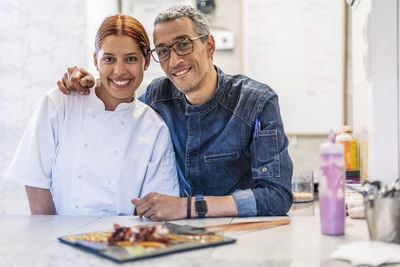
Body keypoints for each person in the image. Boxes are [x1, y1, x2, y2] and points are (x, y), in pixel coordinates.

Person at [58, 5, 293, 221]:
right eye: (163, 51)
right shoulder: (158, 95)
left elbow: (276, 196)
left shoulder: (255, 101)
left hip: (241, 236)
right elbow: (118, 112)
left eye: (183, 44)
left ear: (209, 46)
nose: (175, 60)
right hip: (176, 237)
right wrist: (87, 82)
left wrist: (188, 207)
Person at [5, 14, 179, 216]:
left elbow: (155, 208)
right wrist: (50, 240)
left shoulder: (154, 128)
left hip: (122, 241)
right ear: (96, 60)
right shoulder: (60, 103)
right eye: (109, 59)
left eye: (131, 59)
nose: (119, 70)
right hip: (61, 239)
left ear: (146, 60)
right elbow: (36, 182)